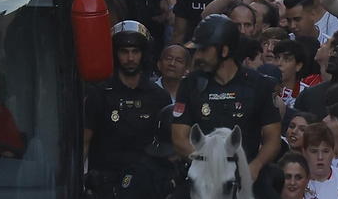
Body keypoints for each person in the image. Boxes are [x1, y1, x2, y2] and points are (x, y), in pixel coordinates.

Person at [171, 14, 282, 183]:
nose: (198, 56)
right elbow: (179, 138)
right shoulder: (190, 84)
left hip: (247, 173)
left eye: (204, 50)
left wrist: (256, 165)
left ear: (224, 51)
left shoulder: (259, 85)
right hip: (203, 173)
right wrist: (207, 164)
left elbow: (273, 139)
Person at [84, 21, 177, 199]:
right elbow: (85, 141)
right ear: (115, 54)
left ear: (144, 54)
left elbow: (169, 147)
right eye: (124, 52)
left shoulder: (160, 97)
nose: (130, 58)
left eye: (136, 51)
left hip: (147, 185)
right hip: (105, 186)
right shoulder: (99, 94)